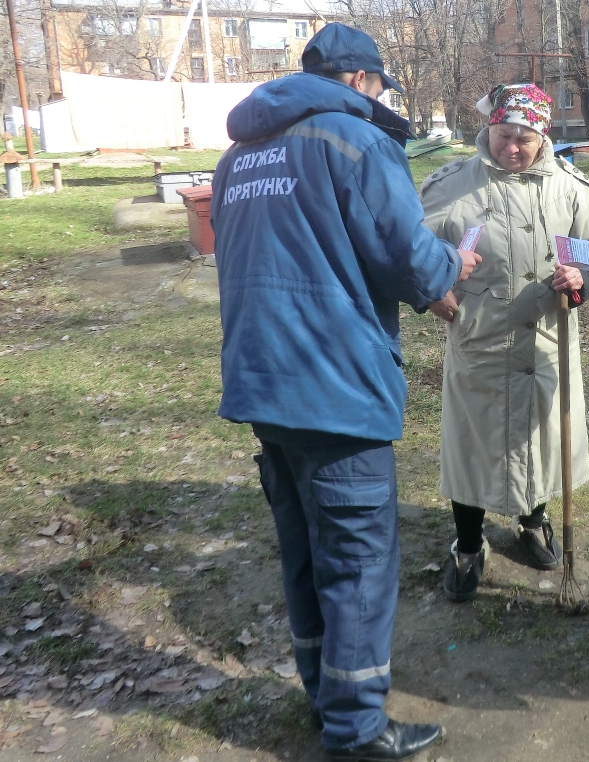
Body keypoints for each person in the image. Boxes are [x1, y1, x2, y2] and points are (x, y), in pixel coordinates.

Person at [210, 23, 481, 761]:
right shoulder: (356, 144)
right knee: (358, 562)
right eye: (379, 88)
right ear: (362, 81)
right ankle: (356, 729)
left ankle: (321, 697)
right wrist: (456, 260)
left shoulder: (240, 155)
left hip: (261, 382)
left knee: (302, 550)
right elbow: (415, 267)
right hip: (333, 386)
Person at [420, 84, 589, 602]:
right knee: (473, 445)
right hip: (480, 340)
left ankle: (533, 521)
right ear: (489, 129)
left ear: (542, 135)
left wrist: (583, 279)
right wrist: (430, 292)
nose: (513, 148)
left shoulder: (571, 187)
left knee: (540, 440)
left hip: (546, 341)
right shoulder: (453, 185)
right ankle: (467, 543)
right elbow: (409, 246)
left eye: (525, 139)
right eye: (505, 135)